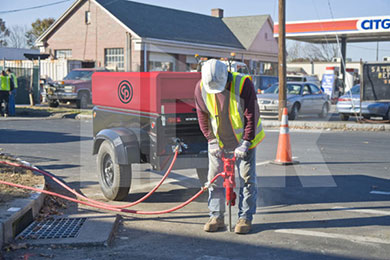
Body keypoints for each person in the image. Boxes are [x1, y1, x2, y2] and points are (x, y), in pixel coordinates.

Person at [194, 59, 265, 234]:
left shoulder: (243, 84)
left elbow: (251, 115)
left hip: (244, 140)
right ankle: (216, 216)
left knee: (246, 178)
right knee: (215, 178)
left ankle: (245, 217)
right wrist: (211, 140)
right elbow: (202, 116)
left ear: (227, 76)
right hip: (218, 141)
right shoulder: (201, 87)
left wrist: (246, 142)